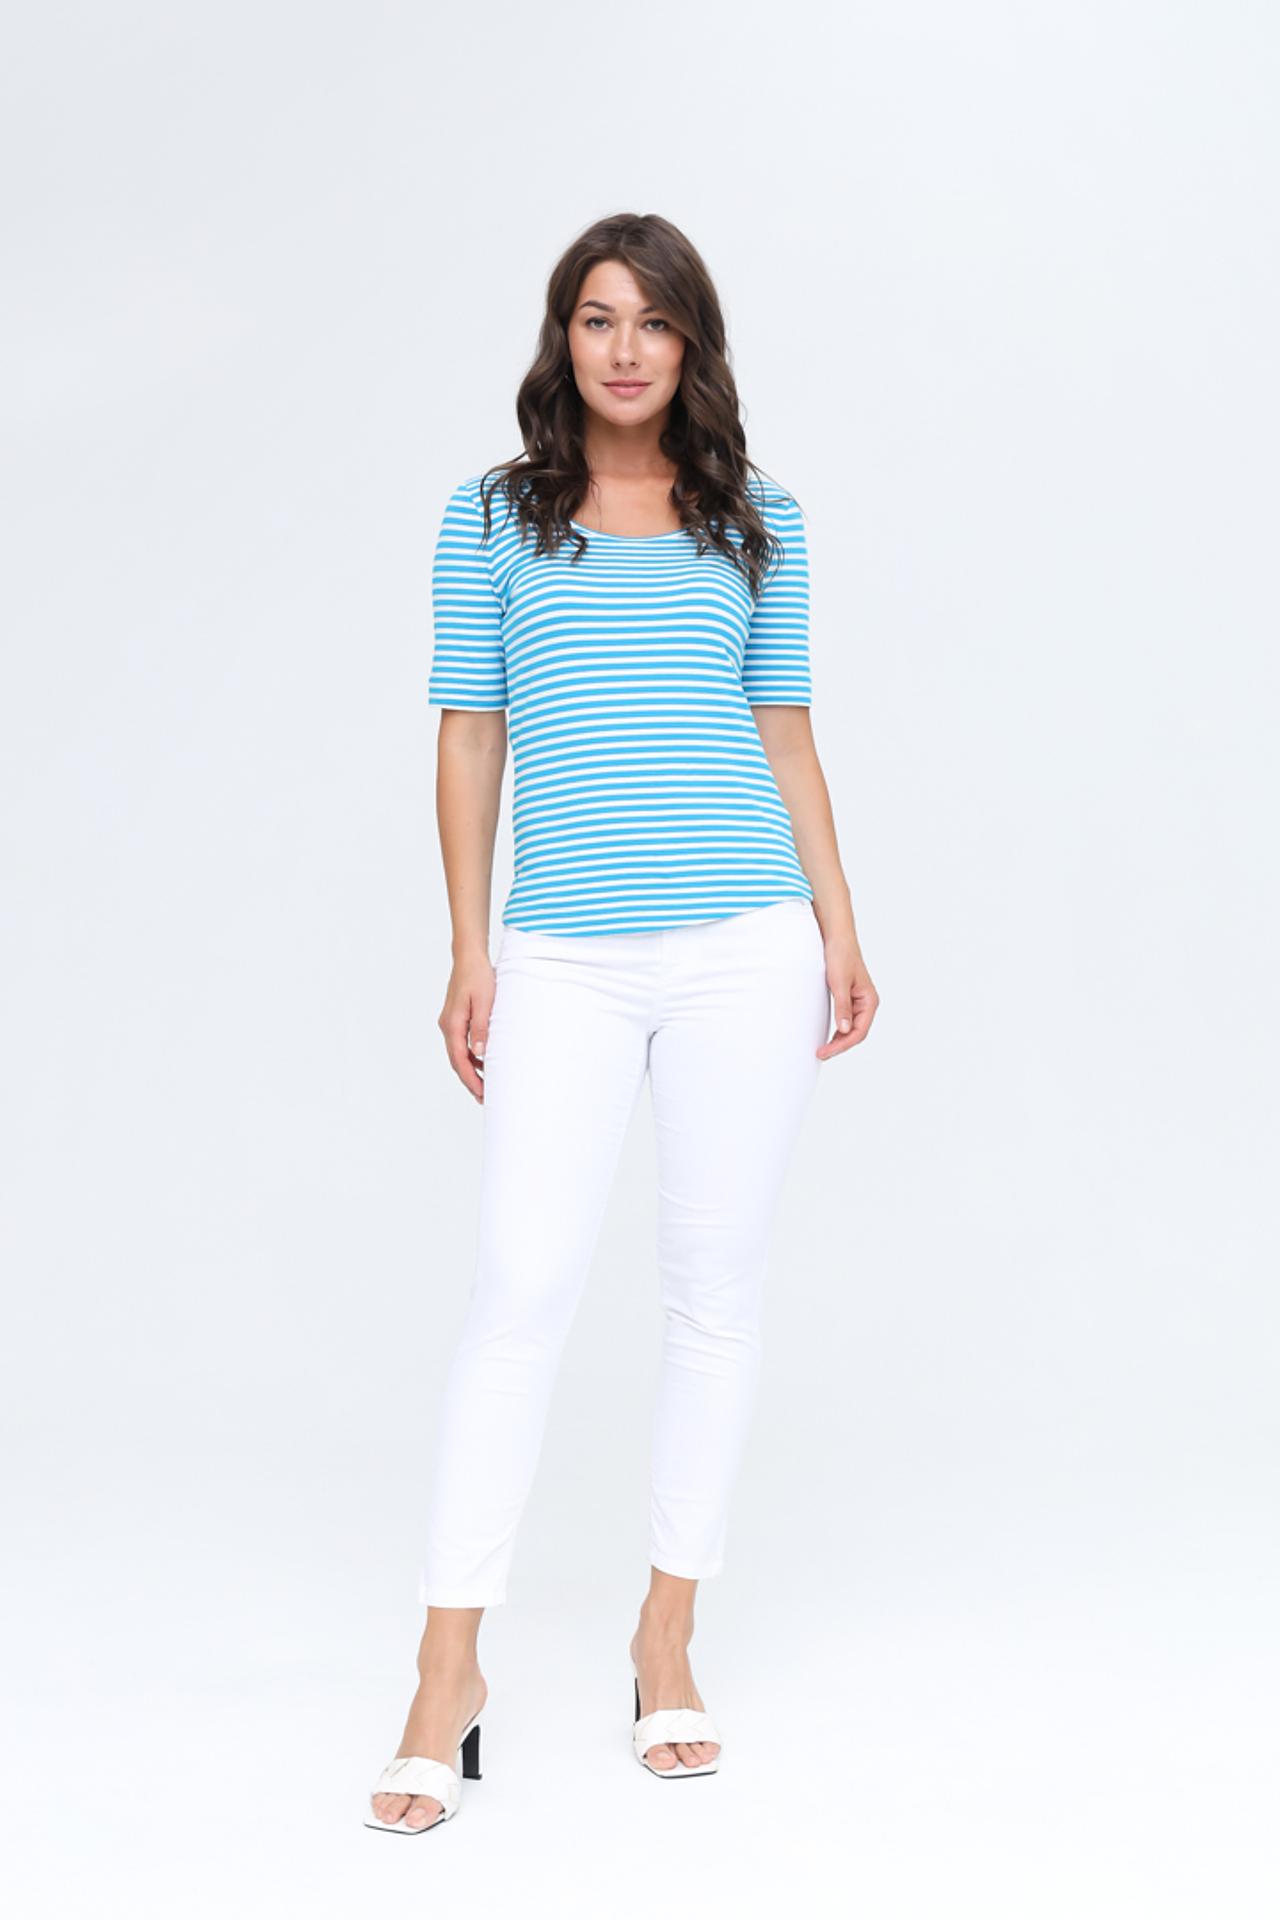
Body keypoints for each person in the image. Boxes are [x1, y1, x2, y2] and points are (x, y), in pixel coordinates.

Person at [366, 212, 879, 1834]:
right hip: (564, 955)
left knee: (711, 1292)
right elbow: (469, 739)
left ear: (692, 343)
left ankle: (667, 1639)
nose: (627, 348)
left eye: (655, 321)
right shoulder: (491, 517)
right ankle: (447, 1670)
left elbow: (784, 736)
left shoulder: (760, 519)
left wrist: (840, 929)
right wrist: (470, 949)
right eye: (599, 318)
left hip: (746, 944)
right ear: (563, 339)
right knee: (522, 1285)